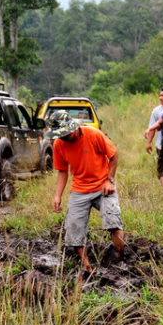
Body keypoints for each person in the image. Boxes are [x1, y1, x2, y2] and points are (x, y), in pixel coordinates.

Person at [48, 111, 125, 273]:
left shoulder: (93, 134)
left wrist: (109, 180)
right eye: (60, 135)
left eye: (65, 134)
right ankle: (87, 268)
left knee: (112, 221)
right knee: (74, 230)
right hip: (79, 190)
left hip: (102, 186)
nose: (63, 138)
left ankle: (121, 259)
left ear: (73, 127)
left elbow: (114, 154)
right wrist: (57, 195)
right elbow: (62, 171)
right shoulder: (59, 144)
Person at [146, 90, 163, 189]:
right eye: (160, 95)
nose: (160, 98)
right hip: (161, 145)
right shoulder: (156, 111)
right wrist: (149, 142)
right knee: (161, 168)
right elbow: (152, 128)